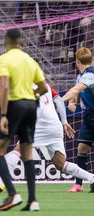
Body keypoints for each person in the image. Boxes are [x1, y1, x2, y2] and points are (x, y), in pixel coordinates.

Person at [0, 84, 94, 193]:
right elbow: (59, 101)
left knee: (18, 150)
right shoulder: (44, 84)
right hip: (55, 125)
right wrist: (64, 122)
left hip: (40, 124)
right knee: (60, 163)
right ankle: (92, 177)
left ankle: (1, 182)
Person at [0, 28, 48, 211]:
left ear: (5, 41)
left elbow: (5, 87)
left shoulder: (3, 59)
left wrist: (3, 115)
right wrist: (31, 95)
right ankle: (32, 200)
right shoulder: (29, 60)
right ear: (20, 42)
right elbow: (44, 87)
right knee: (27, 153)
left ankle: (12, 194)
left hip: (14, 106)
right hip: (32, 106)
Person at [62, 47, 94, 193]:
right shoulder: (81, 75)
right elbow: (77, 90)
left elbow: (76, 89)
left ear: (77, 61)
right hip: (89, 116)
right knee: (82, 148)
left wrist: (58, 101)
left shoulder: (90, 75)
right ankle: (78, 184)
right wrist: (72, 103)